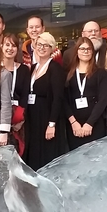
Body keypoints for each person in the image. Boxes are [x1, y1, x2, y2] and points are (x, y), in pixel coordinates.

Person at [23, 33, 68, 170]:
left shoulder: (55, 68)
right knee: (34, 154)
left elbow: (58, 97)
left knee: (47, 155)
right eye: (39, 44)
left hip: (47, 118)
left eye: (46, 45)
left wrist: (52, 124)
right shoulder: (33, 67)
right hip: (33, 119)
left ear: (52, 48)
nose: (42, 48)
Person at [64, 37, 107, 149]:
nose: (86, 51)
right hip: (74, 126)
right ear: (77, 51)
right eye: (82, 48)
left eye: (89, 49)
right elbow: (64, 100)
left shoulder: (100, 73)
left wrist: (89, 124)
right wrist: (73, 122)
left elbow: (103, 100)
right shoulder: (68, 73)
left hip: (94, 125)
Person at [2, 33, 31, 155]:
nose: (10, 48)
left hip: (18, 120)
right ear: (1, 47)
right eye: (7, 45)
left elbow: (25, 95)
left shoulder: (23, 70)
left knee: (17, 153)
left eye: (13, 46)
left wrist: (20, 119)